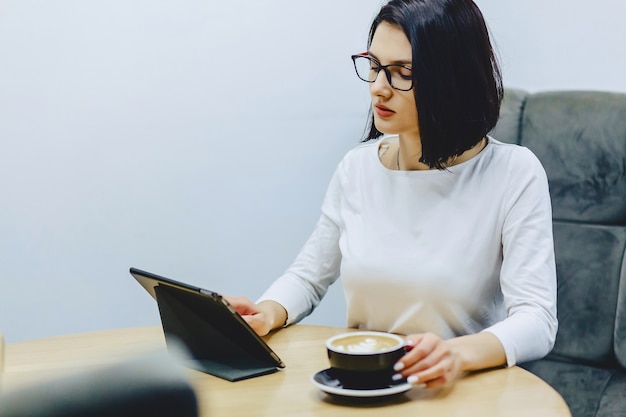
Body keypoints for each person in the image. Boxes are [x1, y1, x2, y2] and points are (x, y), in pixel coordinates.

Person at [227, 0, 557, 389]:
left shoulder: (513, 173)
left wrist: (458, 353)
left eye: (403, 73)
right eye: (373, 66)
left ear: (453, 79)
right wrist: (267, 312)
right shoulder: (357, 168)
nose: (379, 88)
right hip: (366, 384)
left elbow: (537, 319)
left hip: (457, 387)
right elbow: (308, 276)